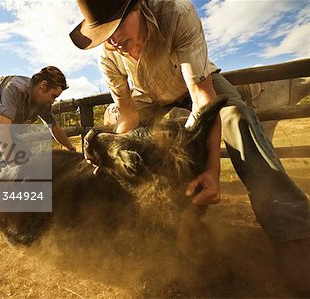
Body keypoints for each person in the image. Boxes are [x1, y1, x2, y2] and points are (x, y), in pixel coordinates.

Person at [70, 0, 310, 294]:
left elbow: (202, 98)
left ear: (137, 7)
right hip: (147, 99)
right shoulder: (108, 55)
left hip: (195, 86)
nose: (113, 41)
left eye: (115, 28)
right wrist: (115, 149)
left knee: (237, 117)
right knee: (130, 146)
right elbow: (128, 114)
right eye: (103, 35)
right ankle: (150, 226)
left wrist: (212, 171)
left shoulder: (177, 15)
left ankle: (292, 233)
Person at [0, 66, 76, 212]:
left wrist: (72, 149)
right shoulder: (13, 88)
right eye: (54, 96)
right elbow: (1, 128)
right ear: (43, 86)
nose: (53, 101)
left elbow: (54, 127)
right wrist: (14, 167)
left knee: (28, 163)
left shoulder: (43, 102)